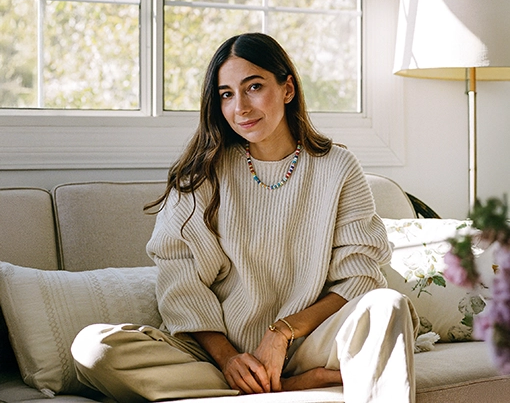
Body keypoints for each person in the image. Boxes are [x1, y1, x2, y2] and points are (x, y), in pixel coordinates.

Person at [71, 32, 419, 402]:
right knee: (95, 348)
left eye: (253, 87)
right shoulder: (201, 176)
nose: (241, 107)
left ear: (287, 89)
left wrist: (282, 332)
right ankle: (279, 386)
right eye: (226, 94)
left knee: (388, 306)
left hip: (308, 342)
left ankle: (270, 383)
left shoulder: (338, 168)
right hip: (217, 354)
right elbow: (181, 283)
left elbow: (360, 275)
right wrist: (229, 358)